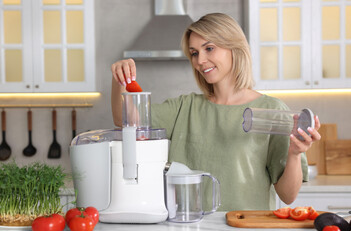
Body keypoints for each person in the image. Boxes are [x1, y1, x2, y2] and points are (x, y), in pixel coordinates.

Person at [111, 13, 321, 211]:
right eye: (194, 53)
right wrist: (120, 77)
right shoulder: (185, 107)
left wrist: (295, 154)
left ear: (234, 48)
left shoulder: (272, 111)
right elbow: (125, 120)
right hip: (190, 229)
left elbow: (288, 195)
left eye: (209, 48)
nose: (199, 60)